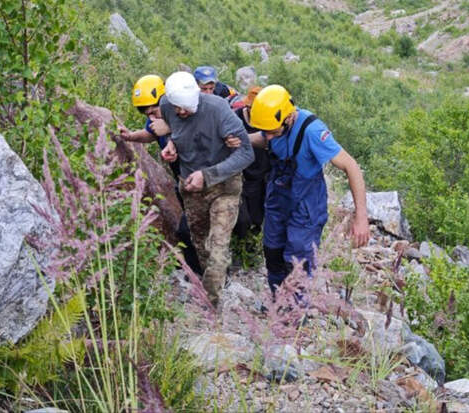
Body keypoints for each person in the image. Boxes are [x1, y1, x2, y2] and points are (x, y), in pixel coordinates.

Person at [247, 85, 370, 293]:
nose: (268, 137)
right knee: (272, 252)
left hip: (306, 206)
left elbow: (351, 166)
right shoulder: (272, 125)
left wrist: (361, 217)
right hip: (278, 199)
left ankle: (295, 308)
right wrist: (242, 139)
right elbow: (264, 137)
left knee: (297, 262)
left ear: (288, 118)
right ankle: (277, 302)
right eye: (265, 132)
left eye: (272, 132)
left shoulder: (312, 131)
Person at [159, 71, 254, 307]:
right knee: (201, 245)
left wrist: (207, 175)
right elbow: (177, 131)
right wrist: (172, 145)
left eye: (185, 109)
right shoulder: (167, 106)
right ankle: (214, 286)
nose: (180, 112)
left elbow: (246, 153)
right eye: (177, 107)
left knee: (218, 246)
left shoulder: (218, 109)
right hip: (191, 186)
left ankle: (211, 305)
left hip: (224, 185)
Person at [118, 74, 202, 275]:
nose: (151, 117)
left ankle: (205, 273)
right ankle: (197, 272)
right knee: (189, 228)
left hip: (200, 179)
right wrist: (130, 136)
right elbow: (150, 134)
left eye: (153, 110)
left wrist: (171, 129)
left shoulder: (185, 115)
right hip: (182, 180)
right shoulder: (157, 121)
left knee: (189, 229)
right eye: (144, 112)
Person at [232, 86, 270, 238]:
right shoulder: (235, 119)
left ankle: (251, 244)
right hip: (241, 174)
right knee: (243, 219)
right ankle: (240, 242)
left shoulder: (268, 121)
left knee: (258, 217)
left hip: (262, 174)